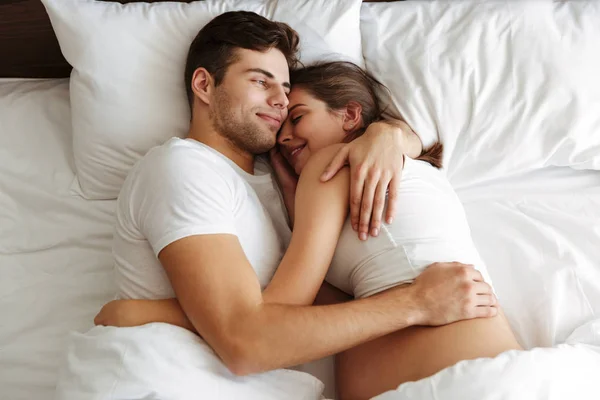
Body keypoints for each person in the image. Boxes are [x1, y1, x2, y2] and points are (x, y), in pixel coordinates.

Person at [95, 11, 500, 398]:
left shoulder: (277, 183)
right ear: (204, 85)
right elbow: (244, 340)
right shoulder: (185, 167)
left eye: (287, 92)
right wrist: (416, 303)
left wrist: (388, 134)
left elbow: (296, 314)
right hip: (174, 383)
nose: (280, 102)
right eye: (260, 81)